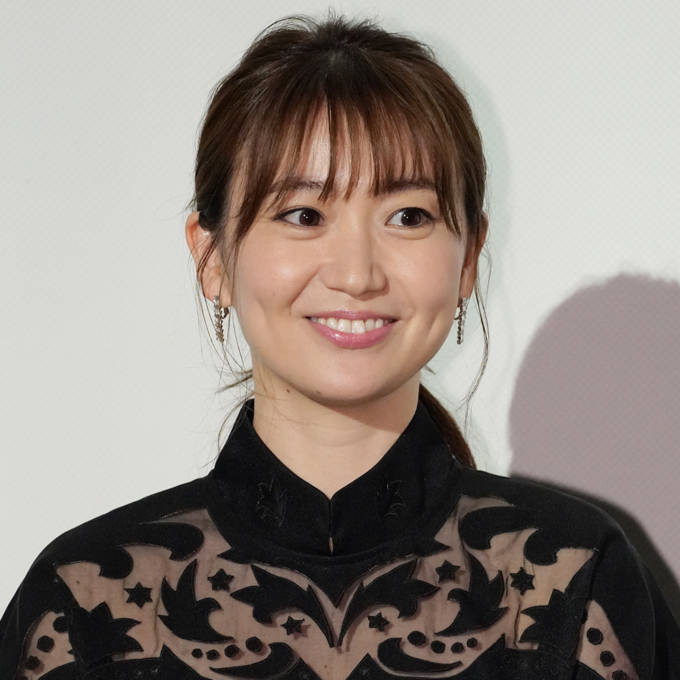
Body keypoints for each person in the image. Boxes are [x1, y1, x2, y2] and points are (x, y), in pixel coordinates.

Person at [1, 11, 678, 680]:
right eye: (303, 215)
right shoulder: (86, 600)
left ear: (469, 256)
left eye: (407, 216)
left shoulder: (574, 583)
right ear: (212, 258)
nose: (357, 274)